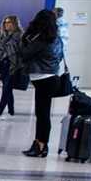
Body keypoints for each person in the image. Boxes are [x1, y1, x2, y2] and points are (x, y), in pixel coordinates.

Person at [18, 8, 65, 157]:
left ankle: (41, 145)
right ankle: (40, 143)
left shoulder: (42, 39)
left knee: (42, 114)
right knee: (43, 113)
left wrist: (25, 40)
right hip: (51, 77)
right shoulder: (56, 38)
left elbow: (25, 53)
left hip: (43, 79)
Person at [0, 14, 22, 120]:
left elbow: (19, 51)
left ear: (14, 24)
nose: (6, 24)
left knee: (6, 88)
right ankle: (11, 111)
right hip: (3, 64)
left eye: (9, 22)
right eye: (5, 22)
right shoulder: (4, 36)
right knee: (7, 88)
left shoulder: (19, 35)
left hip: (13, 65)